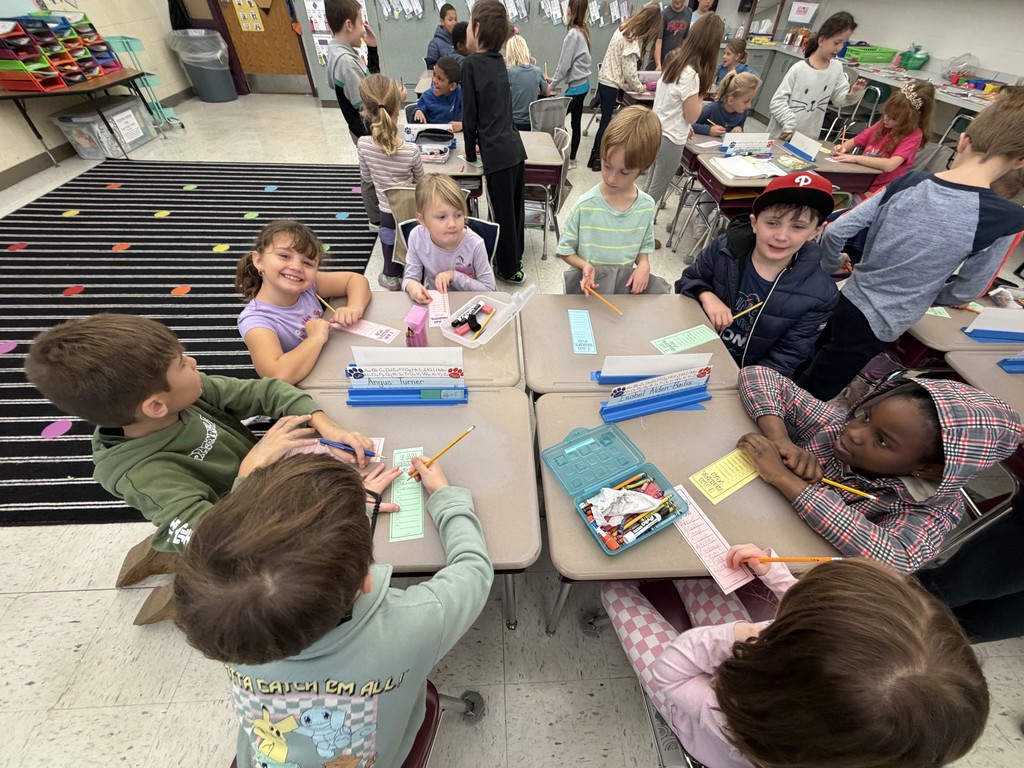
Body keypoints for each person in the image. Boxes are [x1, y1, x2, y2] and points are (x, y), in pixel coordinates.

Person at [24, 314, 391, 623]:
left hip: (257, 492)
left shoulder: (182, 397)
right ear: (155, 406)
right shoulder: (143, 474)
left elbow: (267, 392)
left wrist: (325, 424)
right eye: (181, 363)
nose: (194, 361)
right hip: (241, 534)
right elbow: (212, 541)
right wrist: (255, 469)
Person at [173, 452, 493, 768]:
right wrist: (445, 497)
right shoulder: (414, 622)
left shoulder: (226, 623)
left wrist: (344, 521)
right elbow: (473, 569)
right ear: (367, 577)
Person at [602, 549, 989, 768]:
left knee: (613, 589)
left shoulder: (728, 719)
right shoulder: (852, 735)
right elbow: (826, 627)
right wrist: (779, 578)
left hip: (698, 708)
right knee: (709, 577)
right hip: (758, 682)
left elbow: (672, 672)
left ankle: (618, 583)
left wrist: (738, 635)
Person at [798, 94, 1024, 401]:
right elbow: (968, 291)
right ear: (1020, 161)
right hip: (886, 320)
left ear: (962, 141)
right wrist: (924, 295)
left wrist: (830, 265)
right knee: (818, 388)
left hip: (849, 295)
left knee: (808, 357)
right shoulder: (1008, 219)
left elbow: (837, 230)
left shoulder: (910, 182)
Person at [736, 364, 1022, 573]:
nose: (854, 432)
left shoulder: (935, 509)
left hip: (778, 564)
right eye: (867, 417)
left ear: (928, 469)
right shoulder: (836, 428)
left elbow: (896, 559)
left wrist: (787, 480)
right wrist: (780, 439)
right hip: (744, 519)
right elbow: (758, 375)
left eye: (882, 441)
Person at [675, 172, 839, 377]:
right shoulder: (724, 248)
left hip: (743, 376)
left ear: (815, 232)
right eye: (772, 223)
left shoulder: (822, 294)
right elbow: (687, 280)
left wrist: (746, 383)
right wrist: (706, 295)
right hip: (693, 351)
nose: (781, 236)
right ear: (754, 223)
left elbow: (787, 355)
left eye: (797, 227)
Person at [235, 220, 372, 384]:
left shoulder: (308, 287)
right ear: (258, 260)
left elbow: (355, 280)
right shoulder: (256, 321)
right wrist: (315, 338)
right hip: (304, 390)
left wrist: (354, 307)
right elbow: (276, 375)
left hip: (331, 364)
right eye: (284, 256)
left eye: (307, 263)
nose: (296, 267)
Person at [558, 105, 669, 295]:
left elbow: (643, 246)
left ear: (643, 167)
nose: (611, 178)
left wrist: (644, 264)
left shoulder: (646, 206)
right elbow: (565, 250)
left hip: (620, 291)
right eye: (606, 165)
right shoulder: (585, 205)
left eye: (624, 172)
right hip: (586, 290)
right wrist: (584, 265)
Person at [462, 0, 527, 283]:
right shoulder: (499, 61)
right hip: (514, 148)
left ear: (476, 28)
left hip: (496, 154)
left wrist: (469, 153)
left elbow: (470, 115)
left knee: (501, 213)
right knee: (514, 209)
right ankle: (516, 258)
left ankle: (509, 269)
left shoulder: (470, 64)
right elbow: (495, 109)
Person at [642, 12, 723, 211]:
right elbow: (692, 116)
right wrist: (701, 91)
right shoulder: (692, 75)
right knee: (654, 192)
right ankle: (637, 225)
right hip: (670, 139)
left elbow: (671, 104)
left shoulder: (676, 63)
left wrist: (684, 124)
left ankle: (638, 222)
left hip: (657, 130)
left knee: (648, 188)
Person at [355, 74, 425, 291]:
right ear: (398, 108)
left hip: (386, 211)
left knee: (388, 240)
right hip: (411, 211)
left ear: (367, 111)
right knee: (413, 242)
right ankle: (416, 275)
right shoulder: (411, 150)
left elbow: (367, 179)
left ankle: (391, 276)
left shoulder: (363, 144)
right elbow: (421, 182)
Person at [325, 0, 382, 230]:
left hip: (361, 127)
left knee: (371, 170)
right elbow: (368, 103)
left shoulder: (339, 52)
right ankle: (376, 219)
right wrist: (391, 100)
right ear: (349, 25)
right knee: (371, 173)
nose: (363, 29)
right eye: (360, 23)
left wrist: (372, 49)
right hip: (365, 128)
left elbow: (370, 85)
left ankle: (377, 214)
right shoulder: (346, 62)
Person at [768, 11, 866, 140]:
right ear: (822, 40)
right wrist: (789, 124)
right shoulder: (799, 68)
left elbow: (839, 100)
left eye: (844, 43)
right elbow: (777, 102)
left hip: (808, 136)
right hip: (783, 134)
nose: (839, 48)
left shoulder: (836, 67)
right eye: (837, 42)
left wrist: (853, 93)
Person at [588, 3, 664, 171]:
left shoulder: (623, 28)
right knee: (606, 125)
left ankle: (594, 158)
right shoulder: (631, 40)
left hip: (604, 80)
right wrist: (640, 88)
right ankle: (598, 160)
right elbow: (629, 73)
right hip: (611, 84)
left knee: (604, 122)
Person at [831, 80, 936, 197]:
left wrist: (855, 158)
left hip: (881, 188)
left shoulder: (913, 135)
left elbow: (890, 165)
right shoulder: (883, 124)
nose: (886, 119)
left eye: (894, 118)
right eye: (886, 113)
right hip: (861, 179)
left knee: (844, 202)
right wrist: (842, 148)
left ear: (910, 119)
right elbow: (854, 141)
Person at [403, 175, 496, 303]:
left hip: (467, 303)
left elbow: (490, 289)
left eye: (458, 215)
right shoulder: (417, 237)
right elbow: (410, 278)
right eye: (442, 217)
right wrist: (411, 286)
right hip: (434, 301)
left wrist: (454, 276)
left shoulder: (475, 244)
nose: (452, 224)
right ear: (422, 219)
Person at [549, 0, 592, 168]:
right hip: (583, 84)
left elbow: (563, 65)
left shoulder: (573, 34)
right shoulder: (583, 31)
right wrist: (553, 80)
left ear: (570, 10)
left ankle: (560, 157)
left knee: (556, 120)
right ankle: (572, 159)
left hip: (577, 88)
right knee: (575, 123)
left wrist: (551, 86)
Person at [505, 34, 550, 131]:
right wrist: (542, 81)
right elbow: (547, 93)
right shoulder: (537, 71)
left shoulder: (509, 73)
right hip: (532, 123)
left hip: (512, 123)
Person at [693, 71, 760, 136]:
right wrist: (708, 130)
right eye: (746, 101)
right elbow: (690, 125)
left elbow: (740, 124)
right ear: (730, 101)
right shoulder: (711, 109)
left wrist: (739, 128)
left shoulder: (743, 112)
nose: (749, 106)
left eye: (751, 100)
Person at [412, 56, 463, 129]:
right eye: (434, 74)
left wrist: (462, 125)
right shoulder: (427, 96)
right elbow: (418, 111)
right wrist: (418, 111)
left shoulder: (460, 94)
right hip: (431, 133)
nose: (434, 80)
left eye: (439, 79)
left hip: (453, 134)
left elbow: (472, 117)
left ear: (452, 86)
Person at [425, 3, 459, 67]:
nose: (454, 23)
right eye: (450, 19)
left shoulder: (459, 41)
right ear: (442, 21)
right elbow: (431, 68)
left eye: (455, 19)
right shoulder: (434, 44)